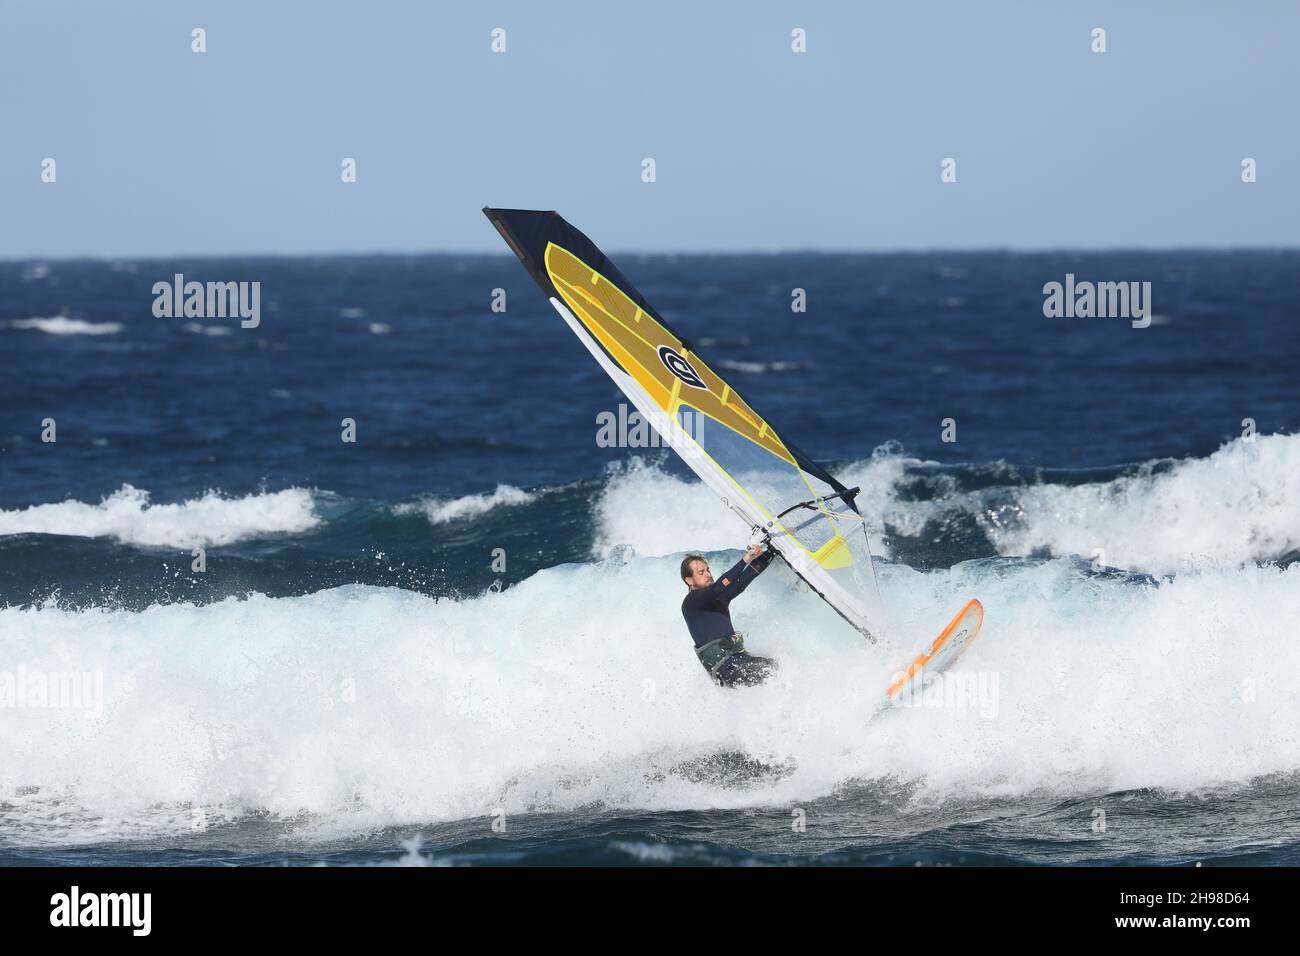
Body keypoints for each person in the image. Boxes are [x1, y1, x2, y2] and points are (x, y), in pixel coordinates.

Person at [680, 544, 778, 687]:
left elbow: (743, 579)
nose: (708, 574)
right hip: (727, 669)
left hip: (738, 662)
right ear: (689, 580)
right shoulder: (690, 604)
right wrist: (747, 557)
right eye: (701, 572)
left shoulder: (719, 598)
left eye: (708, 570)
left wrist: (771, 553)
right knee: (775, 670)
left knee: (774, 667)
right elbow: (719, 587)